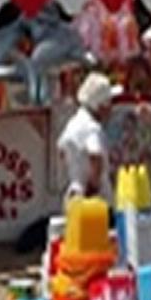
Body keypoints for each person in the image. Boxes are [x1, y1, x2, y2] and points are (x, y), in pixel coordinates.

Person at [58, 72, 115, 203]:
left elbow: (61, 150)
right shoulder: (92, 128)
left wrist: (76, 169)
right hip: (96, 202)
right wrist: (92, 188)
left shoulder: (73, 122)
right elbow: (95, 156)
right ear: (101, 106)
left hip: (74, 192)